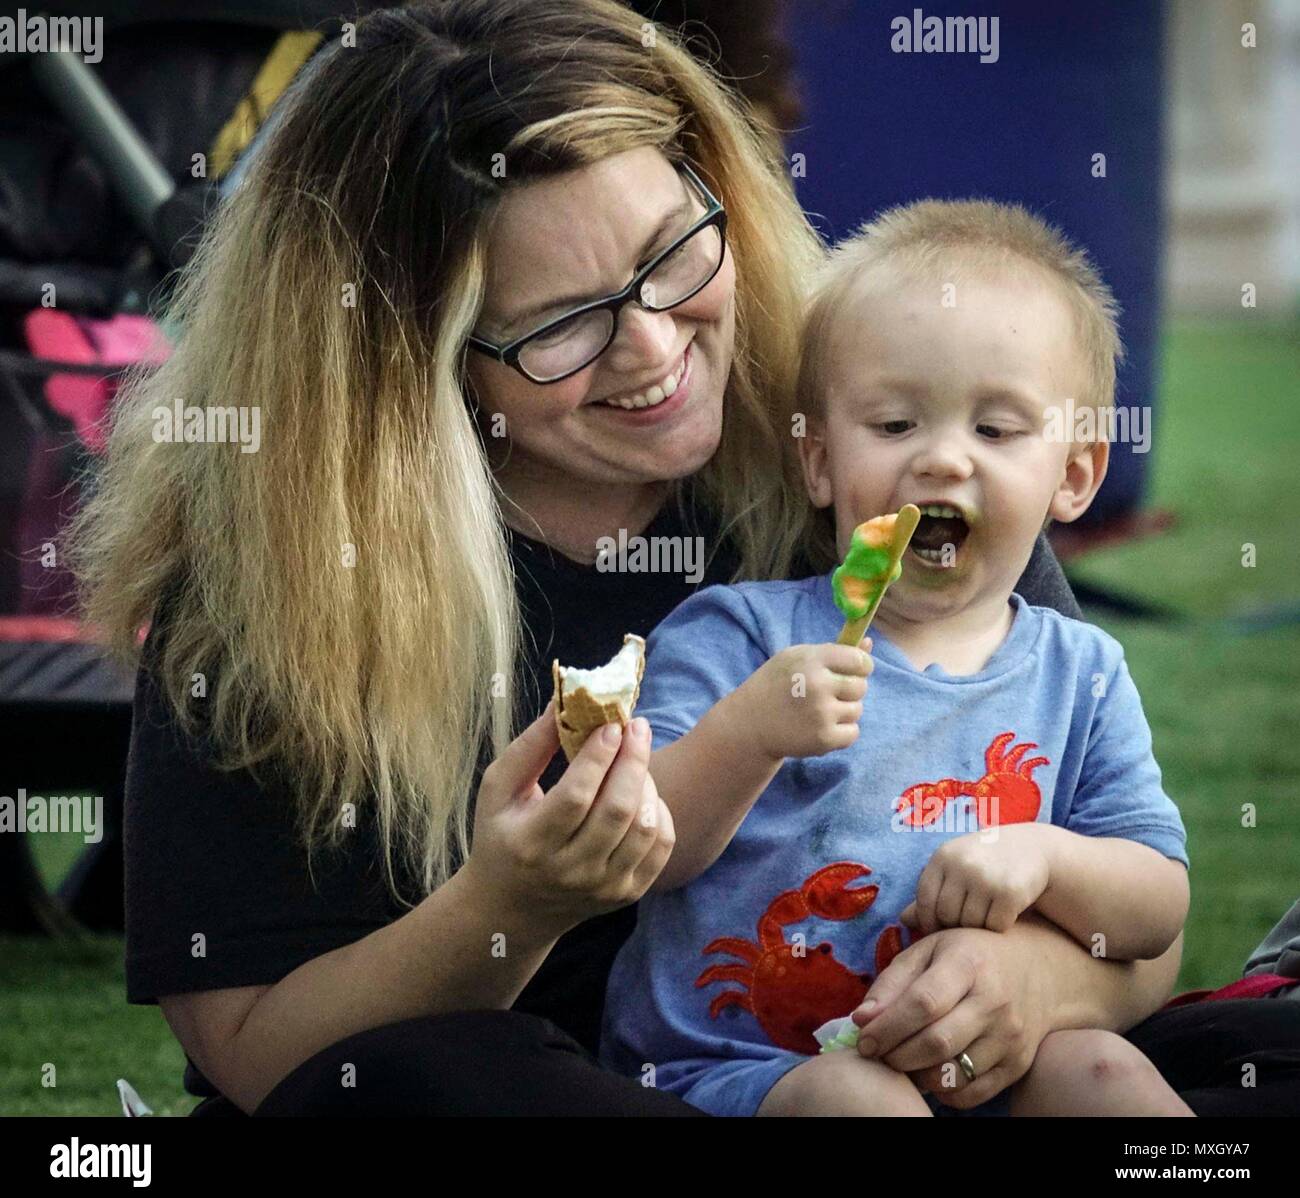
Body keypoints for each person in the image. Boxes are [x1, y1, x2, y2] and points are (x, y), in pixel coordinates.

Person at [63, 0, 1296, 1117]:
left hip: (896, 1080)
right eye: (564, 322)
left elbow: (1133, 932)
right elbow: (261, 1057)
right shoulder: (278, 579)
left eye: (671, 254)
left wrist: (1029, 980)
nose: (654, 344)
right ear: (414, 363)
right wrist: (517, 903)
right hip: (555, 1089)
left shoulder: (877, 443)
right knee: (434, 1082)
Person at [600, 200, 1193, 1116]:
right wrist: (751, 729)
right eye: (893, 425)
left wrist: (1043, 856)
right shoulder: (738, 636)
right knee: (856, 1098)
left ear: (1075, 474)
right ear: (820, 461)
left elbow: (1155, 910)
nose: (943, 461)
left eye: (995, 431)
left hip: (991, 1064)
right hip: (746, 1072)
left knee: (1109, 1076)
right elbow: (645, 849)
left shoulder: (1084, 671)